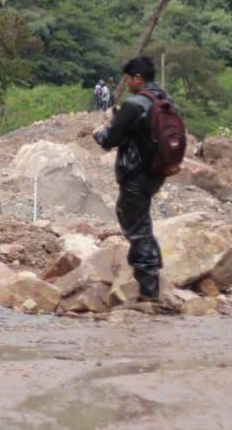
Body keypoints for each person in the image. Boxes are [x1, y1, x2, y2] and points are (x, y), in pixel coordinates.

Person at [93, 55, 173, 307]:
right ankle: (154, 273)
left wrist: (99, 132)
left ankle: (149, 292)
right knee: (139, 221)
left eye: (129, 78)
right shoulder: (165, 100)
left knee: (136, 227)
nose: (127, 83)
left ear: (138, 78)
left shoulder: (134, 104)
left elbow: (109, 140)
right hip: (157, 172)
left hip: (135, 174)